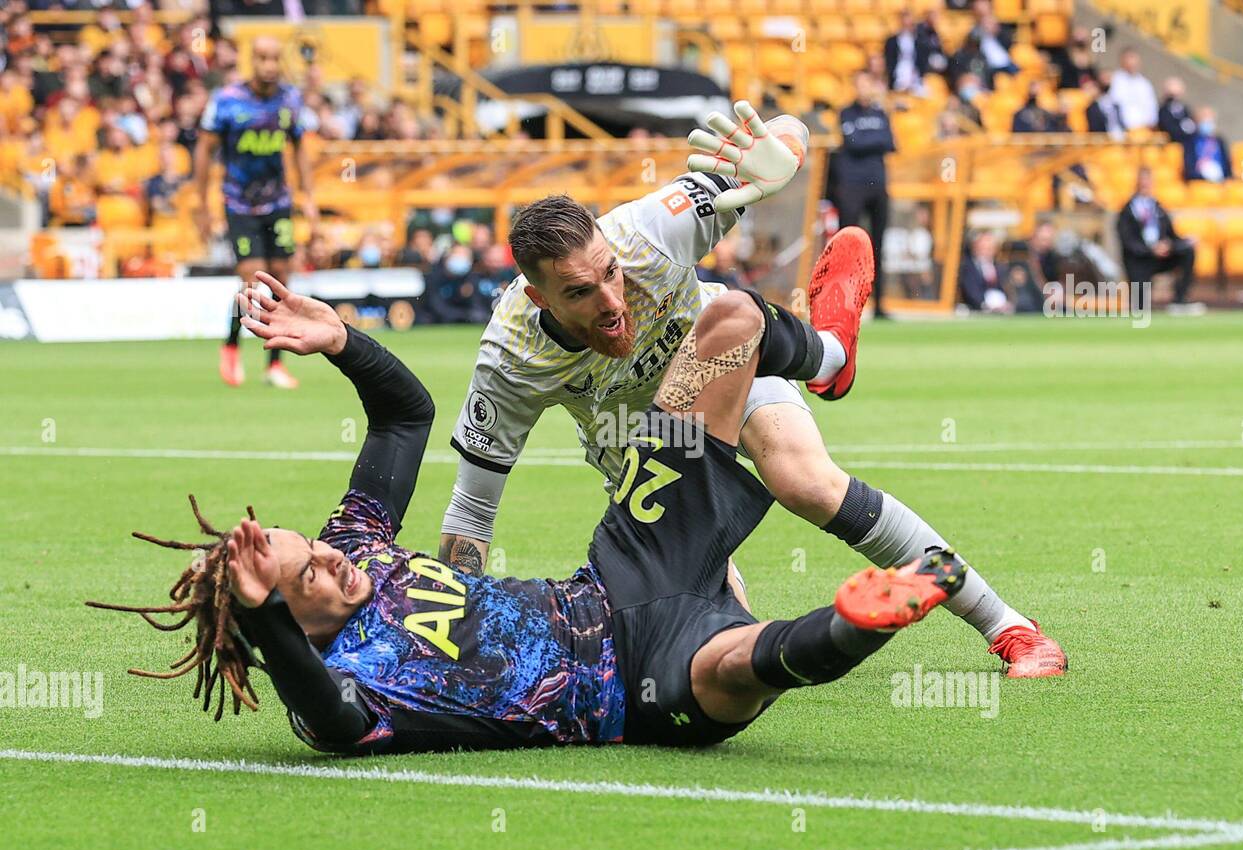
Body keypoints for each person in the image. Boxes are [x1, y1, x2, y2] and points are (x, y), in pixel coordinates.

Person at [90, 270, 977, 754]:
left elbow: (405, 415)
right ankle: (879, 607)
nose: (327, 555)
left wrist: (342, 341)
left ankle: (825, 349)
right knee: (736, 669)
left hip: (618, 573)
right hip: (626, 689)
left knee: (725, 327)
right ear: (283, 622)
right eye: (303, 575)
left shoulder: (356, 543)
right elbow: (324, 716)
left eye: (307, 544)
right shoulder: (345, 690)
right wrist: (259, 617)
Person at [439, 100, 1066, 679]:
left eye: (611, 273)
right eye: (580, 293)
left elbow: (783, 139)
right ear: (536, 296)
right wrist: (451, 643)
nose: (612, 301)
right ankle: (828, 355)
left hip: (721, 355)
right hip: (635, 435)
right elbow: (472, 512)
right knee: (704, 632)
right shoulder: (510, 360)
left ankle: (1009, 627)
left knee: (807, 482)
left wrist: (781, 148)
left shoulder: (652, 230)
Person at [195, 35, 318, 389]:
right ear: (252, 60)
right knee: (252, 282)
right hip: (239, 203)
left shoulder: (290, 99)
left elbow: (299, 148)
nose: (269, 66)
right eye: (262, 58)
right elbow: (204, 149)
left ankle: (274, 364)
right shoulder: (227, 101)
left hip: (278, 202)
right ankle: (232, 345)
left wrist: (308, 195)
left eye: (274, 58)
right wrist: (202, 205)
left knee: (281, 279)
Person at [834, 72, 895, 319]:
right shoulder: (846, 113)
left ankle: (879, 305)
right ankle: (845, 304)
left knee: (878, 247)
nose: (864, 89)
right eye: (859, 84)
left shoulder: (881, 113)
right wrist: (875, 141)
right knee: (847, 246)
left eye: (867, 84)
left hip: (877, 185)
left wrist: (869, 141)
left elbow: (890, 142)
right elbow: (852, 143)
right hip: (852, 186)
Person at [1118, 168, 1196, 312]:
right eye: (1143, 182)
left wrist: (1179, 243)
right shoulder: (1128, 210)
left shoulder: (1158, 208)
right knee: (1140, 306)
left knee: (1187, 251)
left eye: (1148, 182)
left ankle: (1180, 299)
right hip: (1139, 260)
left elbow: (1171, 234)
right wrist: (1150, 250)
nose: (1146, 186)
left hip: (1161, 257)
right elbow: (1127, 241)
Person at [959, 231, 1014, 313]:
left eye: (989, 248)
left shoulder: (1000, 267)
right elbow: (971, 291)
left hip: (1001, 308)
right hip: (978, 309)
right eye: (982, 248)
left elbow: (1007, 288)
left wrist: (1008, 303)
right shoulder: (967, 266)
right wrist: (984, 305)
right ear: (975, 247)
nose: (985, 251)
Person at [1107, 48, 1158, 131]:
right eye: (1129, 58)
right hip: (1121, 131)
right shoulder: (1114, 80)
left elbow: (1151, 108)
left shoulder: (1145, 84)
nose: (1132, 63)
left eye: (1134, 58)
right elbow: (1114, 106)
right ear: (1122, 61)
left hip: (1144, 131)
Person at [1182, 107, 1231, 184]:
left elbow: (1227, 165)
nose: (1207, 123)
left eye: (1210, 120)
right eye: (1204, 120)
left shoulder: (1219, 141)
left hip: (1221, 180)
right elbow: (1189, 169)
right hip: (1200, 181)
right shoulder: (1190, 141)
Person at [1157, 77, 1196, 146]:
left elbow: (1192, 128)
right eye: (1172, 96)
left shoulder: (1184, 109)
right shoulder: (1164, 111)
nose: (1174, 99)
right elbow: (1169, 130)